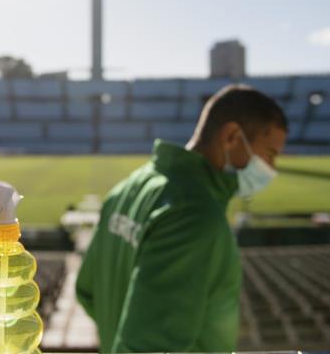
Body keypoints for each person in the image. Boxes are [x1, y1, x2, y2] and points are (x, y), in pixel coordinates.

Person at [75, 84, 288, 352]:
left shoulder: (127, 188)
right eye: (270, 154)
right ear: (232, 136)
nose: (271, 168)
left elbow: (87, 291)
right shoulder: (195, 215)